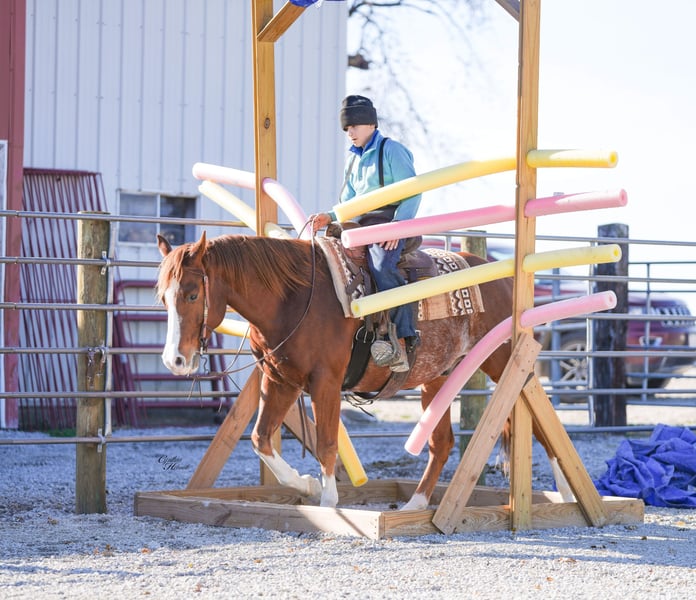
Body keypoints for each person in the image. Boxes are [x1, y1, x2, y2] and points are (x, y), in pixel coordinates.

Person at [309, 95, 421, 372]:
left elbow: (413, 191)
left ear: (371, 124)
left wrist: (399, 227)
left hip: (388, 221)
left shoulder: (392, 151)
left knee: (382, 265)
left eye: (355, 126)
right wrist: (330, 216)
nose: (350, 132)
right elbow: (348, 201)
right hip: (358, 224)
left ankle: (403, 336)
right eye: (347, 128)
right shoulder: (352, 160)